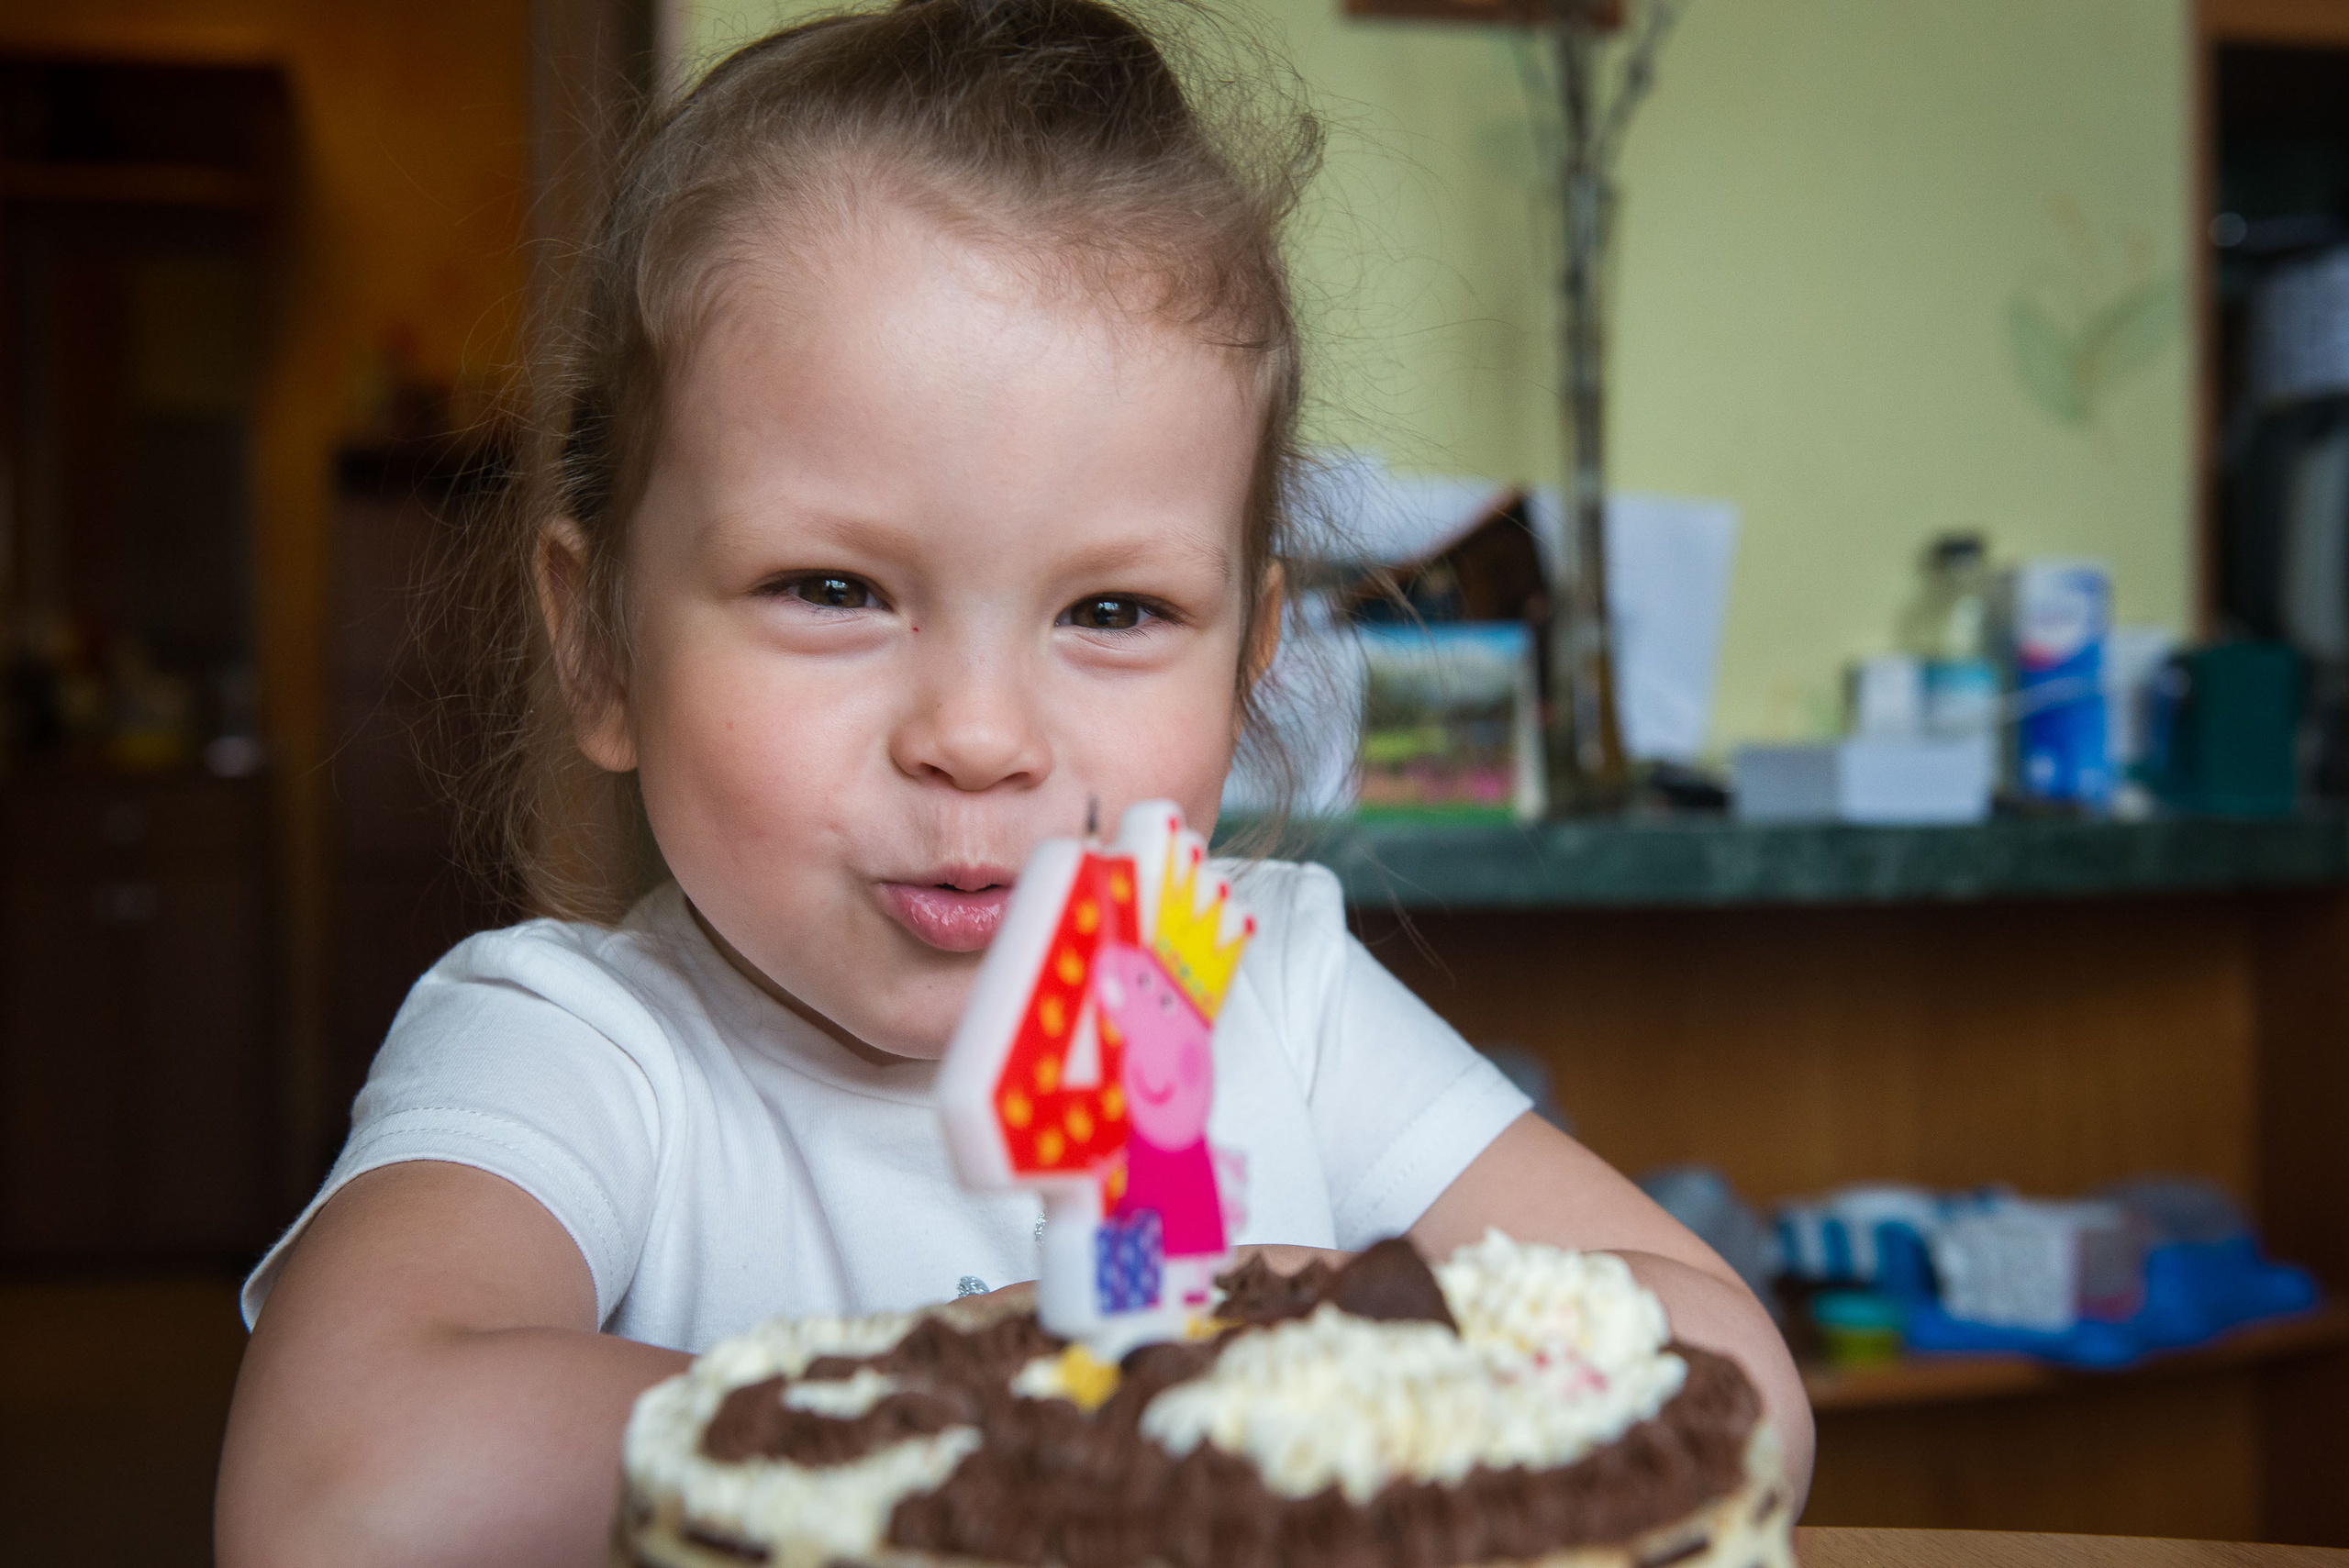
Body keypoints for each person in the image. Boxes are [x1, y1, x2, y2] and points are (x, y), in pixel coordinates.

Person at [216, 4, 1812, 1563]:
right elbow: (340, 1492)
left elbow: (1735, 1372)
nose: (978, 737)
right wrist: (1037, 1385)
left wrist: (1274, 1339)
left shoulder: (1265, 988)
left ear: (1250, 653)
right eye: (833, 589)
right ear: (603, 650)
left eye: (1113, 612)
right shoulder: (582, 1050)